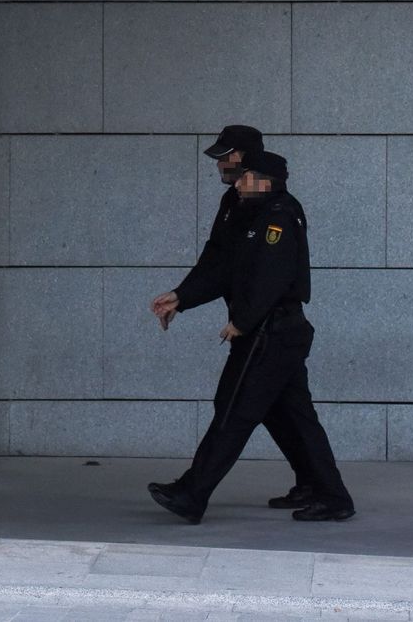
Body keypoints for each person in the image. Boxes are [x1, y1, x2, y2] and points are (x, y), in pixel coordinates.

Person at [147, 148, 355, 524]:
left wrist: (242, 321)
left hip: (270, 334)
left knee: (233, 412)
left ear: (265, 181)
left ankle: (192, 494)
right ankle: (327, 491)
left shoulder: (278, 216)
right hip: (275, 334)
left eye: (246, 177)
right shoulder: (251, 214)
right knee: (293, 417)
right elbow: (224, 267)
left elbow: (271, 277)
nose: (238, 182)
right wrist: (183, 297)